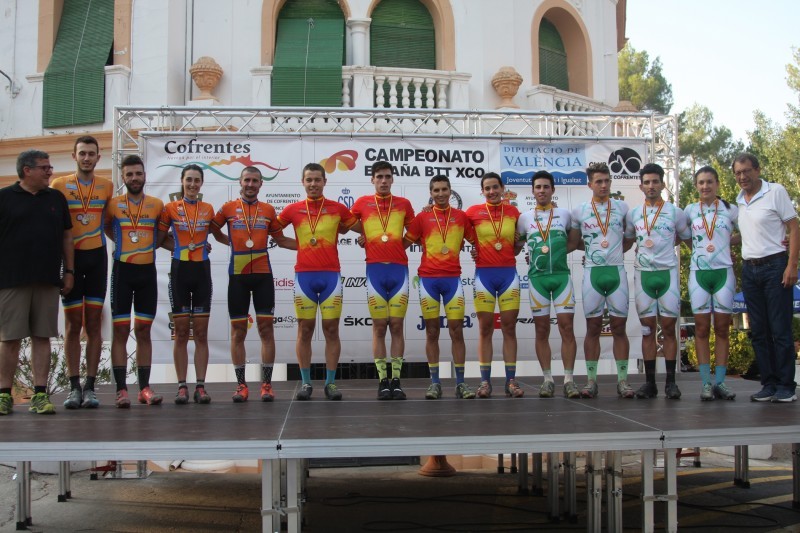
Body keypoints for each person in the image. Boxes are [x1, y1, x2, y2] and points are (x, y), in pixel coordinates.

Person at [210, 166, 296, 403]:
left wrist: (308, 246)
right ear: (240, 181)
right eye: (247, 180)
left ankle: (266, 385)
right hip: (237, 276)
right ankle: (241, 385)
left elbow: (281, 239)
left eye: (255, 181)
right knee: (238, 332)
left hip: (263, 275)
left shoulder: (268, 210)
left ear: (261, 184)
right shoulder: (228, 208)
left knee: (266, 330)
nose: (250, 184)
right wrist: (227, 242)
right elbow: (212, 228)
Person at [0, 150, 74, 415]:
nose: (50, 171)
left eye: (50, 166)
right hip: (11, 281)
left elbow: (67, 237)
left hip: (47, 279)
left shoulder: (56, 198)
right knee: (10, 339)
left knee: (42, 336)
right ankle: (3, 395)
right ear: (27, 170)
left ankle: (40, 395)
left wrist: (69, 271)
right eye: (44, 167)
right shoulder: (4, 198)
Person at [276, 163, 357, 401]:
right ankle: (306, 383)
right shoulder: (293, 209)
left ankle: (330, 384)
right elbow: (275, 234)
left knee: (331, 330)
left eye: (317, 180)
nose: (313, 184)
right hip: (305, 277)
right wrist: (300, 245)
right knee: (305, 330)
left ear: (324, 182)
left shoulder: (338, 208)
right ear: (303, 182)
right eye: (309, 180)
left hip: (331, 275)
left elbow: (364, 227)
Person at [50, 136, 113, 409]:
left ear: (99, 158)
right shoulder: (59, 185)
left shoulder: (107, 186)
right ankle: (73, 386)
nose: (87, 158)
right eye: (82, 153)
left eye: (92, 154)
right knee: (73, 325)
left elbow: (110, 223)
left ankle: (90, 386)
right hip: (71, 259)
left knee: (95, 323)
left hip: (97, 257)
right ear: (73, 156)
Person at [733, 153, 799, 403]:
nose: (742, 177)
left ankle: (786, 386)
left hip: (775, 265)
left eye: (746, 171)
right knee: (758, 331)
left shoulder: (775, 191)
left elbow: (794, 226)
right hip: (749, 269)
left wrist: (792, 265)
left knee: (780, 329)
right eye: (738, 173)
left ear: (757, 170)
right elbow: (750, 233)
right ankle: (768, 383)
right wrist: (721, 241)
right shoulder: (740, 200)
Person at [404, 175, 476, 400]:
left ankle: (461, 383)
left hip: (453, 280)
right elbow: (405, 242)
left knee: (457, 331)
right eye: (436, 190)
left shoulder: (461, 217)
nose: (441, 194)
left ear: (451, 191)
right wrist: (368, 240)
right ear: (431, 193)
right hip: (428, 281)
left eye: (444, 189)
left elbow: (477, 241)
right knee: (432, 331)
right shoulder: (422, 217)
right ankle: (434, 383)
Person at [350, 161, 415, 400]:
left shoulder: (404, 204)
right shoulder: (362, 203)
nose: (384, 181)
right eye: (379, 177)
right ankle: (382, 381)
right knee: (379, 327)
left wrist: (400, 245)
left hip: (399, 270)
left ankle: (396, 381)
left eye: (388, 176)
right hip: (375, 271)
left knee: (396, 326)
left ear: (393, 179)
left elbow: (415, 231)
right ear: (372, 180)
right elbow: (348, 224)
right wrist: (365, 235)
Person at [624, 163, 689, 400]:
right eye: (647, 182)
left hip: (667, 273)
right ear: (640, 186)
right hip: (643, 275)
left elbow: (683, 238)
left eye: (655, 181)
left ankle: (671, 383)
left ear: (662, 184)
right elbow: (629, 240)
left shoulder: (676, 212)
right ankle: (650, 383)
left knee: (670, 329)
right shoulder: (633, 214)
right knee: (648, 329)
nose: (651, 186)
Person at [568, 162, 633, 398]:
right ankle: (591, 381)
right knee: (592, 328)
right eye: (599, 181)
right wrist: (596, 252)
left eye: (607, 181)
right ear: (590, 184)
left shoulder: (623, 207)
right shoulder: (580, 211)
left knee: (619, 328)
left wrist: (612, 251)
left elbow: (628, 239)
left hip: (616, 272)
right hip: (592, 273)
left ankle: (623, 381)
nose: (604, 185)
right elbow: (574, 242)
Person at [104, 155, 164, 408]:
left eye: (138, 173)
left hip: (146, 273)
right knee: (120, 330)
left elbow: (162, 235)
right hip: (122, 272)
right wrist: (122, 243)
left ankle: (144, 388)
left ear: (145, 176)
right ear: (123, 177)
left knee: (143, 331)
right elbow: (107, 228)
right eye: (129, 174)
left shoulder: (157, 205)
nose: (134, 178)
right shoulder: (113, 205)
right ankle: (121, 390)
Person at [516, 170, 579, 398]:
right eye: (538, 187)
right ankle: (547, 379)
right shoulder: (524, 218)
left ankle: (569, 380)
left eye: (545, 187)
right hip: (537, 280)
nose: (541, 191)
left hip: (561, 277)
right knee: (541, 329)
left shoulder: (565, 215)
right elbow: (516, 247)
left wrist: (554, 253)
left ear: (553, 189)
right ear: (532, 191)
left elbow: (573, 243)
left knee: (567, 328)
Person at [157, 165, 216, 404]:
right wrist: (182, 248)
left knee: (201, 333)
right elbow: (160, 239)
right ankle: (182, 386)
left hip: (202, 272)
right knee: (180, 333)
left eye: (197, 180)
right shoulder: (170, 208)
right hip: (180, 272)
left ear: (202, 183)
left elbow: (218, 234)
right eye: (188, 180)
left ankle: (200, 386)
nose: (192, 184)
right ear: (182, 182)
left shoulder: (208, 209)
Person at [682, 166, 739, 401]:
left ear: (717, 184)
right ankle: (706, 383)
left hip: (724, 273)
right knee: (702, 329)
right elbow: (684, 236)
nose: (705, 186)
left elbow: (746, 233)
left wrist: (726, 243)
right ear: (696, 186)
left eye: (709, 182)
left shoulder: (731, 210)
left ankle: (721, 382)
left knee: (723, 328)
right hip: (699, 274)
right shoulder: (689, 210)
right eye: (701, 182)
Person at [466, 172, 523, 398]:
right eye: (487, 188)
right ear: (482, 191)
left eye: (495, 187)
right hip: (484, 277)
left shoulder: (514, 212)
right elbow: (452, 226)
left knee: (509, 328)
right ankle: (484, 382)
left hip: (508, 274)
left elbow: (520, 241)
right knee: (485, 329)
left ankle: (510, 380)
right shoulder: (473, 212)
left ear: (502, 188)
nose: (491, 192)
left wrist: (519, 249)